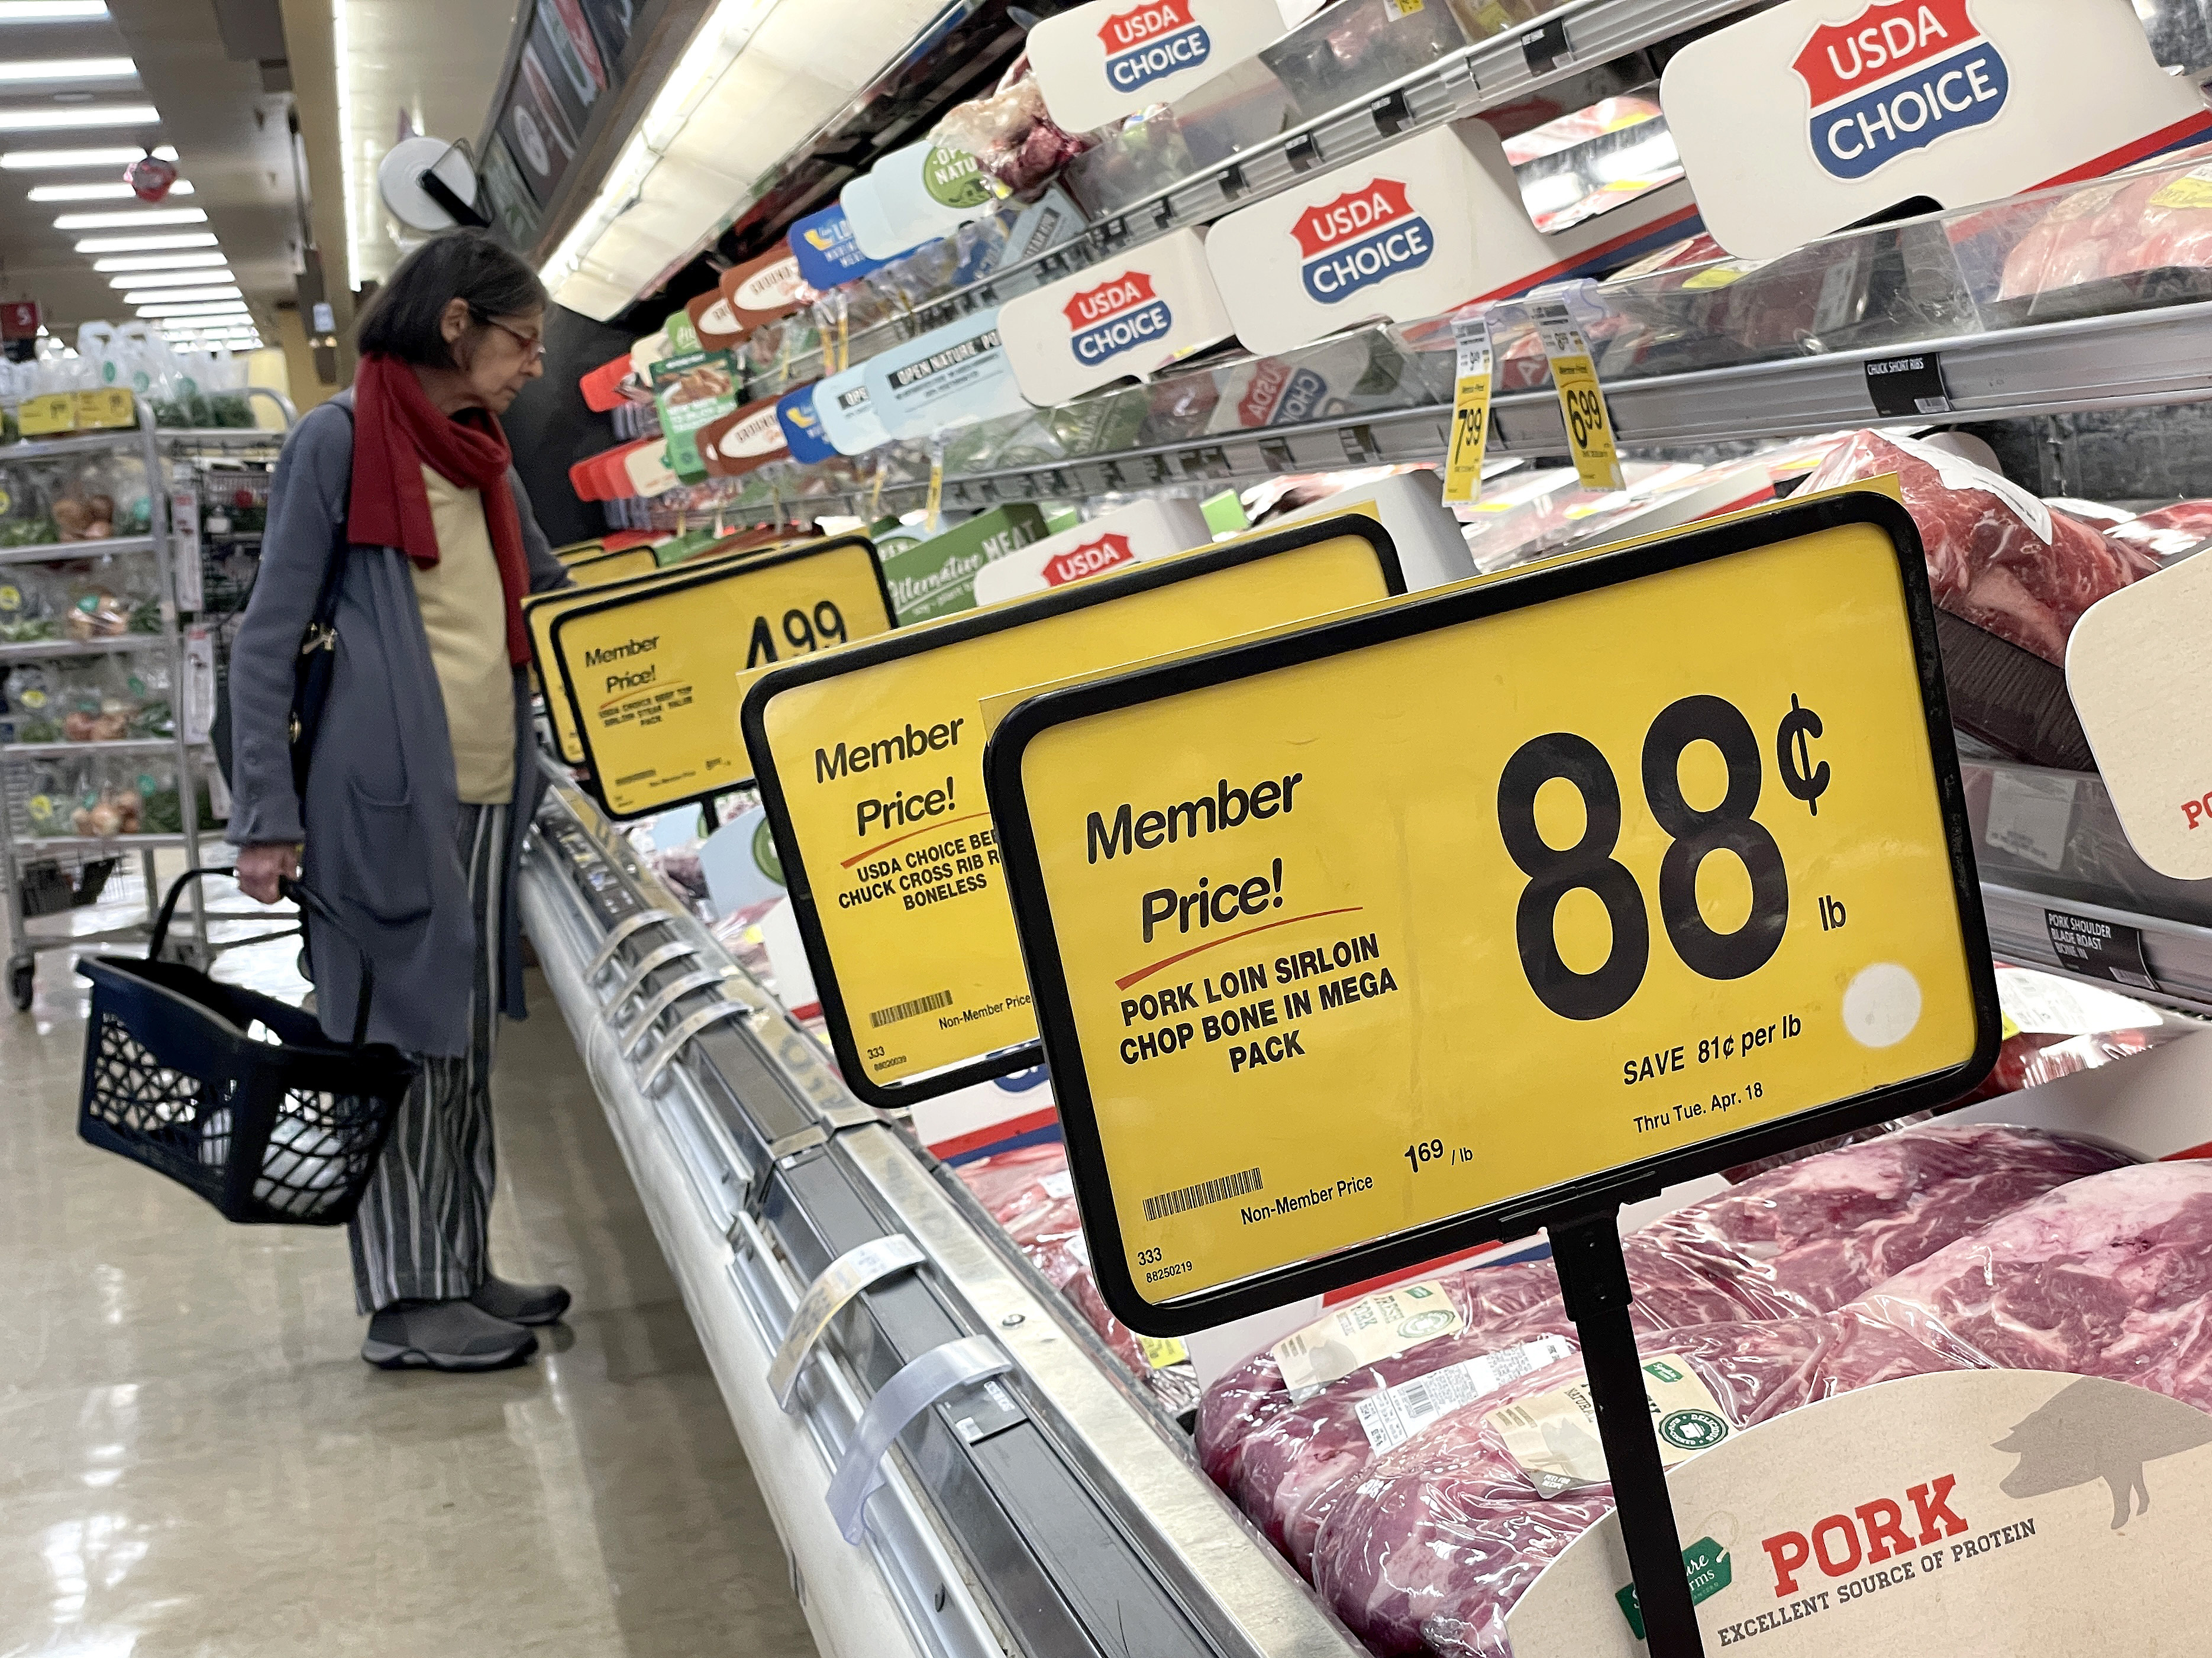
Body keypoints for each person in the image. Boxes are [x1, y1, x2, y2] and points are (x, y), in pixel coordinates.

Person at [226, 230, 572, 1372]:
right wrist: (266, 819)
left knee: (462, 1047)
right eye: (524, 340)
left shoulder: (479, 447)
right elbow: (269, 638)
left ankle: (457, 1263)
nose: (534, 366)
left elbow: (554, 597)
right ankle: (405, 1302)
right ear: (458, 323)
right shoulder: (336, 443)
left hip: (483, 793)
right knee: (394, 1048)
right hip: (375, 805)